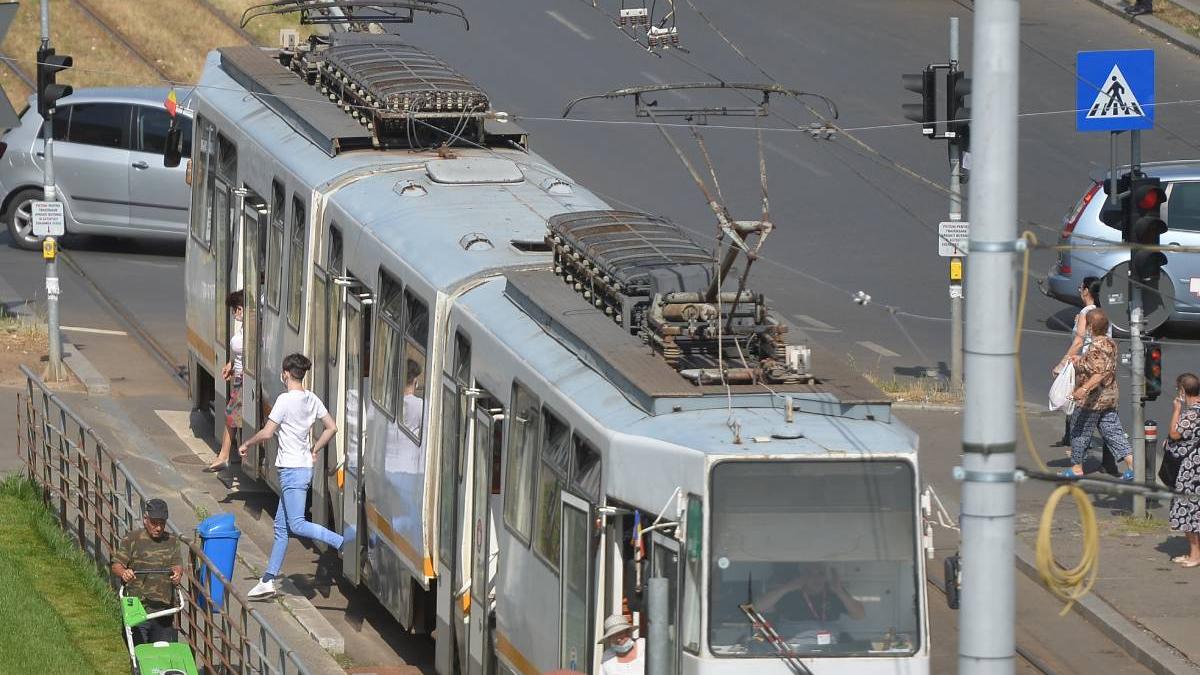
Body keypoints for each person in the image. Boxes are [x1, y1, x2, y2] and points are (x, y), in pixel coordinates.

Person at [240, 353, 344, 599]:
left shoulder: (284, 400)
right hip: (302, 467)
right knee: (280, 528)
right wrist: (315, 449)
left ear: (286, 373)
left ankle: (342, 542)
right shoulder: (311, 399)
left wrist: (247, 443)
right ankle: (267, 579)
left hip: (292, 471)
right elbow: (332, 427)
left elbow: (267, 433)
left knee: (296, 523)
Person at [1052, 278, 1118, 474]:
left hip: (1087, 369)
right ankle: (1109, 462)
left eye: (1080, 287)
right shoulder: (1103, 313)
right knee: (1105, 417)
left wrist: (1062, 363)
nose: (1079, 290)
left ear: (1086, 291)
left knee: (1082, 416)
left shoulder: (1085, 313)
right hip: (1105, 370)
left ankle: (1077, 463)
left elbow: (1079, 343)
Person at [1064, 309, 1136, 480]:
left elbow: (1098, 372)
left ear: (1090, 327)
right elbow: (1102, 366)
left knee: (1079, 429)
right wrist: (1079, 361)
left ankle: (1076, 467)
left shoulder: (1095, 347)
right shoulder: (1110, 343)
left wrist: (1083, 389)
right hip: (1110, 396)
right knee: (1113, 431)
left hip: (1092, 399)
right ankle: (1133, 464)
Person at [111, 498, 184, 645]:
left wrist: (177, 574)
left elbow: (177, 565)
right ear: (145, 519)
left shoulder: (172, 541)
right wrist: (124, 573)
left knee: (160, 653)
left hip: (163, 610)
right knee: (139, 653)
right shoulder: (132, 539)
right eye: (154, 523)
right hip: (138, 607)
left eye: (162, 523)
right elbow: (116, 565)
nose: (158, 528)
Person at [207, 290, 244, 472]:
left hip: (244, 379)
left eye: (234, 310)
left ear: (240, 309)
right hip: (238, 377)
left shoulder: (254, 329)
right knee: (232, 416)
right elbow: (240, 351)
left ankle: (224, 456)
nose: (233, 315)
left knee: (231, 416)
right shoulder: (245, 327)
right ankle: (225, 455)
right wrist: (230, 364)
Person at [756, 562, 865, 623]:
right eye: (809, 573)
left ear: (826, 576)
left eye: (820, 573)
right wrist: (786, 588)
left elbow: (859, 615)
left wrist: (840, 592)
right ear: (801, 575)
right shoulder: (789, 593)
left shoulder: (834, 592)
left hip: (829, 650)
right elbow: (758, 608)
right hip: (794, 651)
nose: (815, 578)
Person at [1167, 373, 1200, 567]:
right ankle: (1194, 554)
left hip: (1192, 469)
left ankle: (1194, 555)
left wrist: (1177, 409)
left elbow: (1174, 433)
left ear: (1182, 391)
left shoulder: (1192, 413)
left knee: (1189, 511)